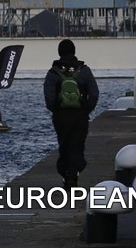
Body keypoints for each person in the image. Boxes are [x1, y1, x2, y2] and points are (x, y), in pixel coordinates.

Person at [44, 38, 99, 188]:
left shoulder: (53, 72)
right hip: (80, 116)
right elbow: (94, 94)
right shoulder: (84, 70)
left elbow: (49, 98)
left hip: (60, 116)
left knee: (64, 146)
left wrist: (56, 110)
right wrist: (86, 109)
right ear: (74, 51)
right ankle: (74, 172)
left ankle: (66, 174)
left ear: (59, 52)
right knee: (77, 145)